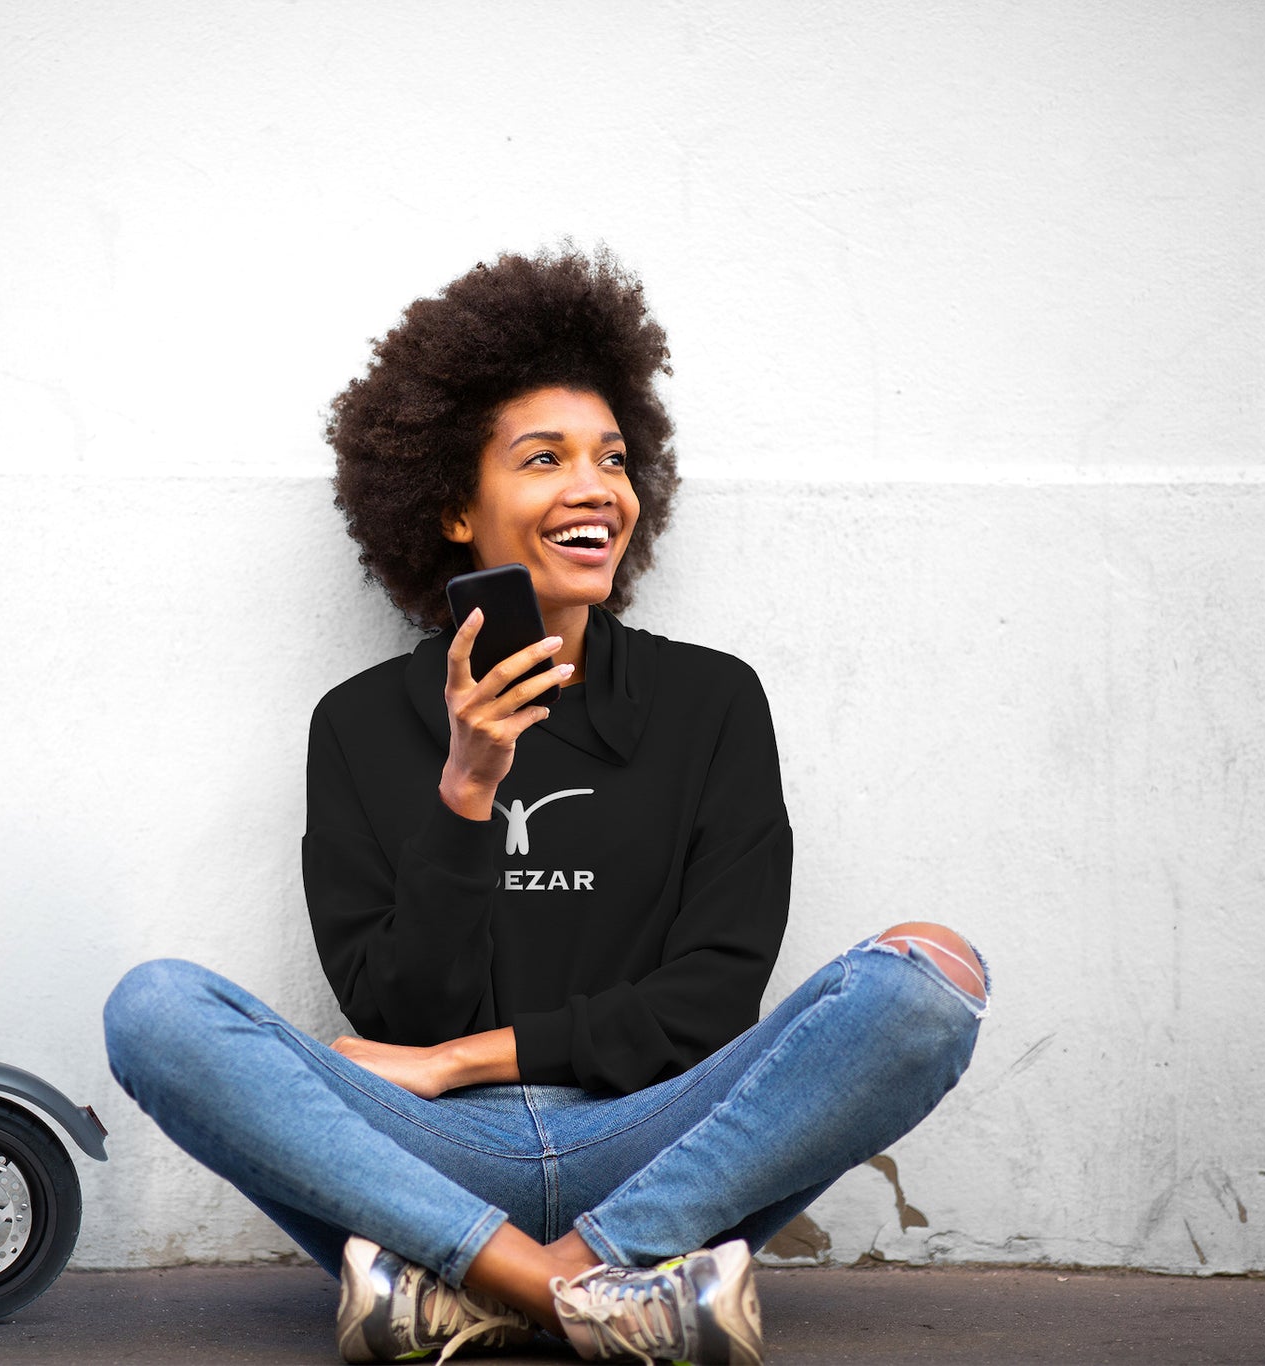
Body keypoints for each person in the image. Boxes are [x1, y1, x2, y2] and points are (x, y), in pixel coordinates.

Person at [104, 248, 989, 1365]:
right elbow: (397, 1007)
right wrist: (466, 786)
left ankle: (486, 1288)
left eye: (611, 459)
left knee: (929, 976)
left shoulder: (709, 700)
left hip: (655, 1146)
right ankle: (581, 1290)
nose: (594, 488)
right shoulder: (361, 725)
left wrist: (456, 1058)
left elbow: (706, 1005)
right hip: (426, 1157)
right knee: (155, 1008)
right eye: (543, 459)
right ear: (454, 510)